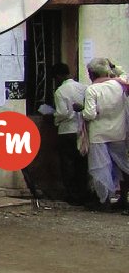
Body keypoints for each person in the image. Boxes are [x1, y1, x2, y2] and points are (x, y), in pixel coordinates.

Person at [79, 58, 128, 207]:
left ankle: (104, 200)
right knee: (122, 165)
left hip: (98, 134)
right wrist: (113, 67)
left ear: (91, 74)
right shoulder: (119, 85)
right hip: (118, 131)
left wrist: (80, 110)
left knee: (100, 167)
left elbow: (90, 114)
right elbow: (122, 73)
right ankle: (123, 198)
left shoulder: (92, 89)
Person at [50, 63, 89, 205]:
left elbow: (62, 113)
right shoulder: (83, 87)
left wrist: (54, 117)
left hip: (66, 131)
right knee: (81, 163)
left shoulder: (60, 91)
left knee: (68, 164)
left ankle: (72, 195)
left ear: (59, 76)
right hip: (82, 130)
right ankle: (83, 193)